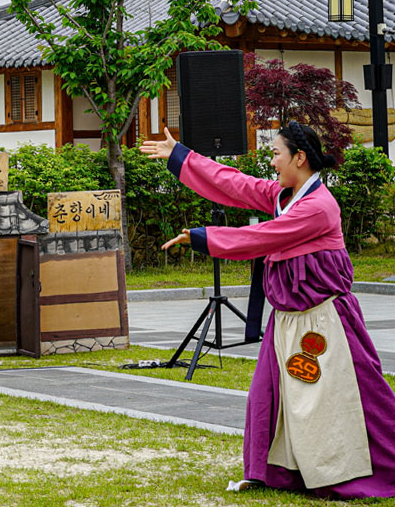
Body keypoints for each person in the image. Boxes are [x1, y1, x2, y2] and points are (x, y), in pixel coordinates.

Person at [140, 123, 395, 498]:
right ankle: (272, 471)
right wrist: (181, 156)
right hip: (285, 319)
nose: (272, 162)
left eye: (277, 154)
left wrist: (202, 237)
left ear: (300, 158)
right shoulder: (283, 196)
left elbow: (261, 238)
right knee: (267, 397)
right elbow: (236, 184)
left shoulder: (319, 207)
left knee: (361, 399)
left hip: (327, 320)